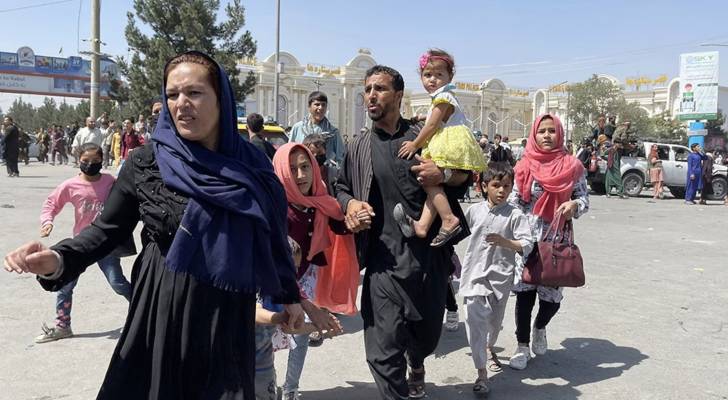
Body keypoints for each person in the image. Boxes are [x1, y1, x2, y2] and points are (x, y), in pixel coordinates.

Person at [4, 51, 304, 399]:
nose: (181, 104)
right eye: (172, 94)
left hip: (227, 310)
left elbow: (272, 234)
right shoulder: (148, 162)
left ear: (221, 99)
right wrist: (58, 259)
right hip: (163, 306)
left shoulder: (252, 163)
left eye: (194, 92)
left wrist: (289, 296)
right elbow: (107, 230)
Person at [335, 65, 471, 400]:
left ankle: (417, 361)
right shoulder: (359, 146)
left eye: (379, 89)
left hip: (428, 259)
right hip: (382, 263)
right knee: (382, 352)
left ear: (398, 95)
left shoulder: (424, 135)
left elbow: (464, 176)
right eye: (367, 89)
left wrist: (443, 174)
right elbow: (341, 187)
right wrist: (350, 205)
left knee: (426, 337)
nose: (371, 96)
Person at [508, 114, 589, 371]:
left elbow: (584, 199)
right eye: (541, 131)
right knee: (524, 294)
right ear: (534, 134)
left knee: (551, 299)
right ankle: (522, 346)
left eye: (552, 131)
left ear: (560, 134)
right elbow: (513, 200)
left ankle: (540, 327)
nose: (546, 135)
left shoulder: (572, 166)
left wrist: (574, 205)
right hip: (527, 239)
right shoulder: (524, 164)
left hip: (556, 241)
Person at [35, 143, 133, 343]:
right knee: (65, 286)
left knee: (118, 283)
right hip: (81, 245)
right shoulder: (71, 185)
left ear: (102, 160)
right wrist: (47, 221)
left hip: (106, 243)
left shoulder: (110, 181)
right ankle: (63, 326)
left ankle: (144, 312)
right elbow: (51, 203)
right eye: (85, 161)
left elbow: (128, 198)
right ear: (78, 160)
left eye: (95, 161)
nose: (90, 164)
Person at [273, 143, 347, 400]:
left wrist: (355, 215)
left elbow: (340, 222)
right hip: (275, 279)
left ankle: (290, 389)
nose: (301, 175)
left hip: (305, 274)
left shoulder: (319, 200)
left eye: (305, 167)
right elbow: (275, 260)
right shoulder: (276, 208)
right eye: (292, 169)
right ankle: (266, 385)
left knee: (300, 337)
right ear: (282, 172)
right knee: (267, 336)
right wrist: (307, 304)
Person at [394, 49, 485, 248]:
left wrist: (415, 144)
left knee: (429, 179)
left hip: (449, 142)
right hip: (452, 139)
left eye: (439, 74)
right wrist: (421, 117)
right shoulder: (443, 97)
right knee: (433, 186)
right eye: (427, 75)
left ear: (450, 76)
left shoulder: (443, 97)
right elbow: (436, 117)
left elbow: (432, 125)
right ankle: (422, 225)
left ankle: (448, 218)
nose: (432, 79)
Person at [461, 163, 533, 395]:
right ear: (484, 187)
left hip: (500, 279)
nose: (502, 190)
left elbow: (527, 244)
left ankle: (489, 347)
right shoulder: (474, 211)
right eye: (496, 185)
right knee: (475, 320)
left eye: (507, 186)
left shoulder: (515, 215)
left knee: (493, 323)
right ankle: (482, 373)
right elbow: (455, 231)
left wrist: (506, 243)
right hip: (474, 276)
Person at [289, 91, 345, 168]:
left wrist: (333, 171)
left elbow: (341, 159)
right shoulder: (298, 128)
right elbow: (290, 152)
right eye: (317, 104)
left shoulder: (333, 132)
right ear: (309, 106)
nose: (320, 108)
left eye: (323, 105)